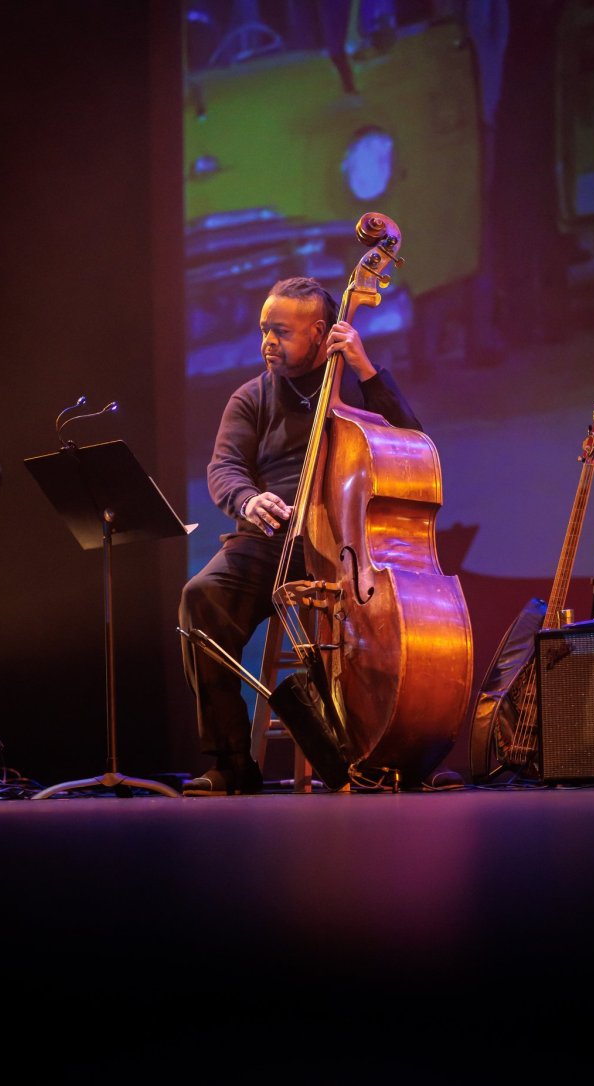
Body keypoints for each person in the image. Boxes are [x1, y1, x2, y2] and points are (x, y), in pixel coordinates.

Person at [179, 275, 422, 796]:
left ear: (320, 332)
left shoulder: (360, 387)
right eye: (264, 330)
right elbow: (224, 470)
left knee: (407, 618)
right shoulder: (251, 398)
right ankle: (230, 763)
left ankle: (402, 753)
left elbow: (412, 441)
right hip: (277, 541)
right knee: (201, 599)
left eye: (281, 332)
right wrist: (249, 500)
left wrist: (364, 366)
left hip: (351, 542)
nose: (267, 342)